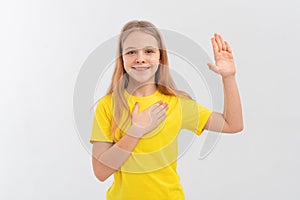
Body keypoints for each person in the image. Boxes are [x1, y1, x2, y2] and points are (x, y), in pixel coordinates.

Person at [90, 20, 243, 200]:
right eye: (131, 52)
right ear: (121, 58)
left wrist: (229, 77)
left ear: (160, 57)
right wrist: (136, 131)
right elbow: (100, 172)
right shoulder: (108, 105)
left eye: (149, 51)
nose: (140, 58)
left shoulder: (177, 104)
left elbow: (232, 125)